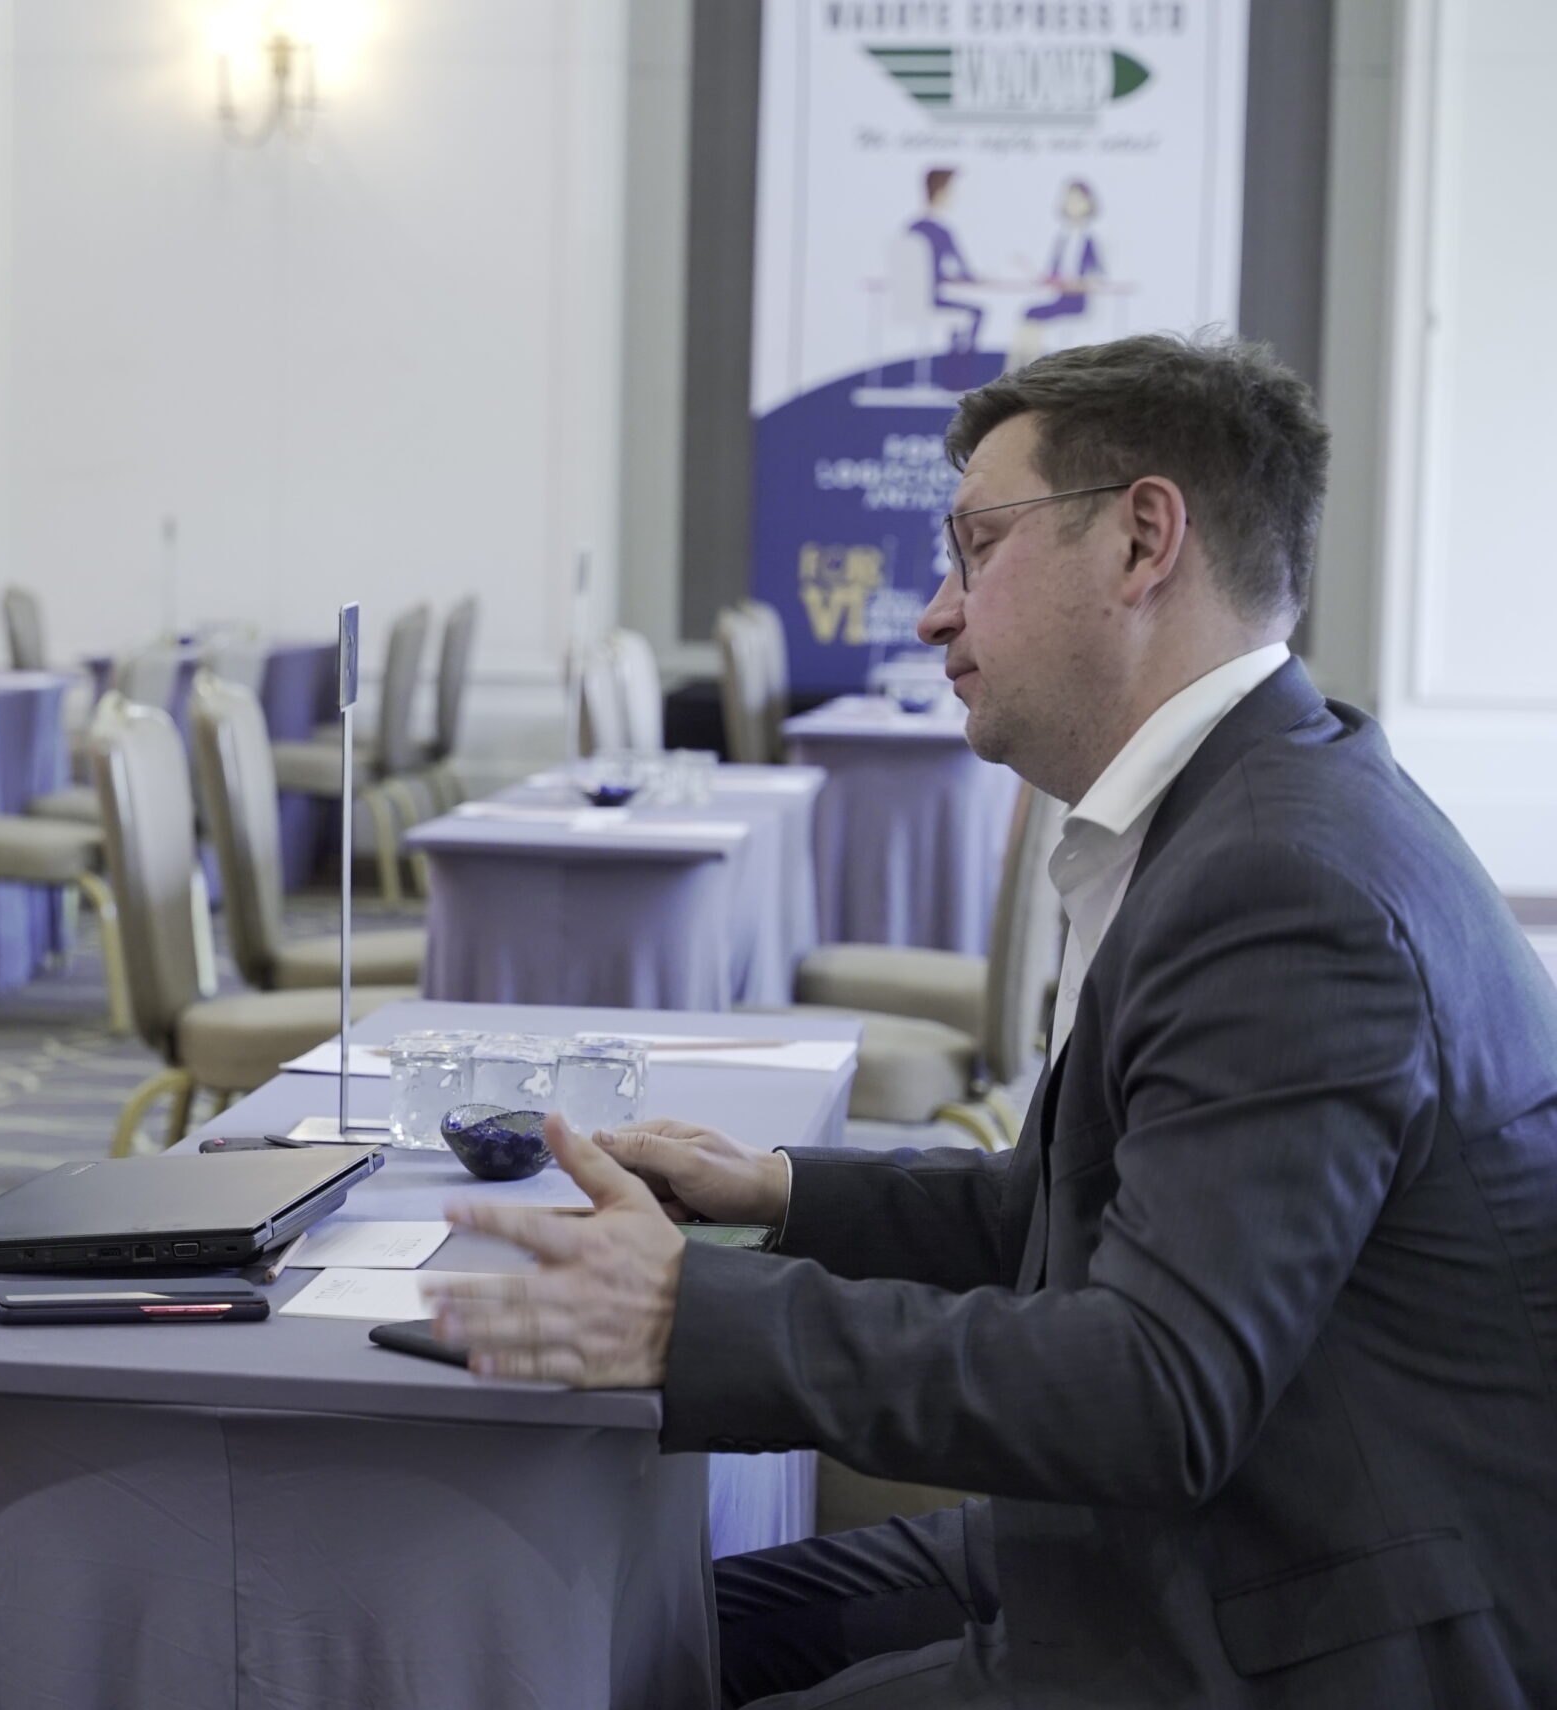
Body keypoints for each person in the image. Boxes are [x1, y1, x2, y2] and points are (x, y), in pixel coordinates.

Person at [428, 334, 1557, 1707]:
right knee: (636, 1631)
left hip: (1297, 1623)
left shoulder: (1281, 882)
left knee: (593, 1654)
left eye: (975, 548)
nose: (932, 614)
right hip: (1213, 1541)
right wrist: (777, 1193)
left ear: (1141, 541)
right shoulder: (1259, 802)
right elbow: (1070, 1213)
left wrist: (688, 1315)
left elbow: (1154, 1388)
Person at [1008, 179, 1105, 371]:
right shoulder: (1062, 238)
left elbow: (1099, 274)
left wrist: (1080, 283)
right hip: (1061, 298)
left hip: (1078, 302)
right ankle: (1017, 369)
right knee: (1028, 314)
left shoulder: (1090, 239)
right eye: (1069, 200)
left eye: (1078, 200)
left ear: (1089, 203)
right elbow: (1053, 271)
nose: (1073, 205)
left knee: (1034, 315)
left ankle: (1028, 372)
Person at [907, 168, 984, 355]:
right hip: (930, 301)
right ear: (941, 192)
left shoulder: (911, 228)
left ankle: (953, 363)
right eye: (951, 191)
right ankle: (959, 366)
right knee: (975, 313)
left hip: (910, 301)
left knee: (958, 316)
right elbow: (964, 271)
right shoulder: (942, 232)